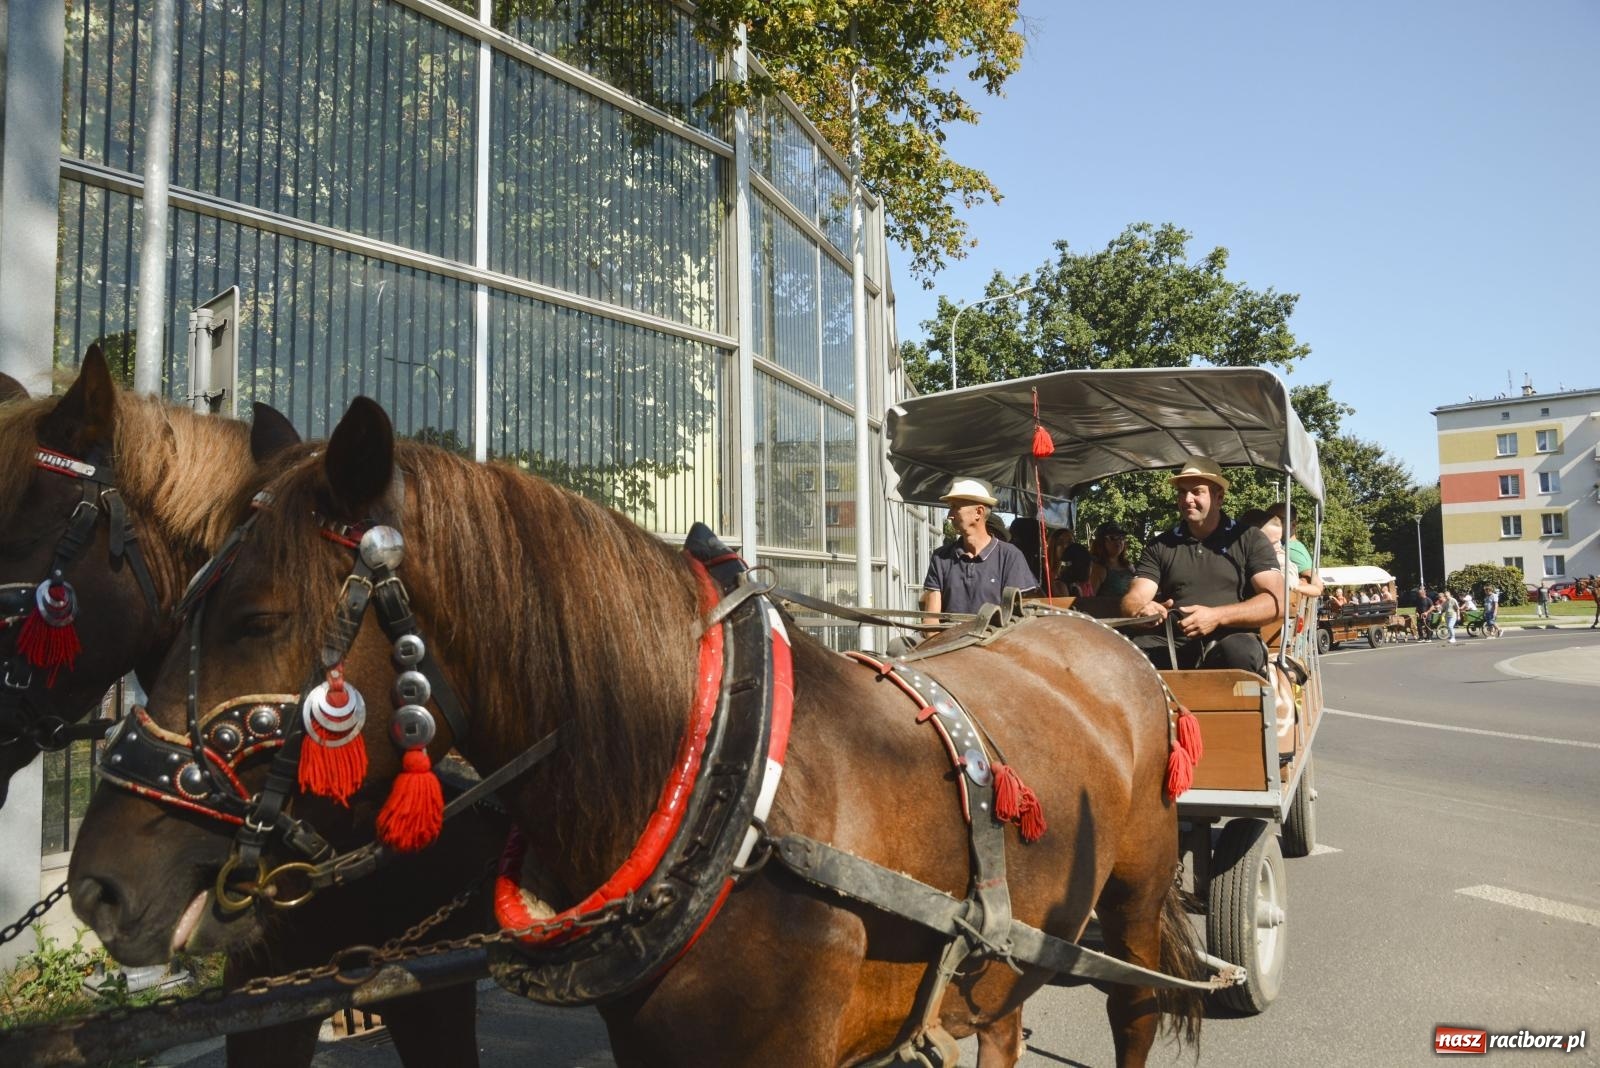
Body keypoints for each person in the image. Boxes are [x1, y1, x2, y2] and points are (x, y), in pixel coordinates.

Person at [1121, 456, 1283, 673]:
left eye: (1197, 491)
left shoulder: (1249, 538)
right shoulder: (1160, 545)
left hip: (1232, 638)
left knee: (1238, 653)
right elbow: (1134, 598)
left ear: (1219, 498)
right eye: (1182, 492)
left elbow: (1276, 602)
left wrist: (1217, 617)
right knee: (1127, 655)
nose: (1187, 499)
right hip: (1173, 641)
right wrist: (1141, 609)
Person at [922, 477, 1039, 619]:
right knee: (898, 642)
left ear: (979, 512)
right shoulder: (940, 557)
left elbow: (1017, 620)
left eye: (955, 507)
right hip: (949, 640)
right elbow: (930, 619)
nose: (949, 515)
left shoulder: (1010, 556)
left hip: (995, 639)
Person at [1088, 521, 1135, 600]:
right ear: (1101, 542)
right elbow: (1090, 601)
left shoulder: (1129, 566)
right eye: (1112, 537)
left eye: (1121, 537)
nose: (1119, 541)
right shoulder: (1097, 569)